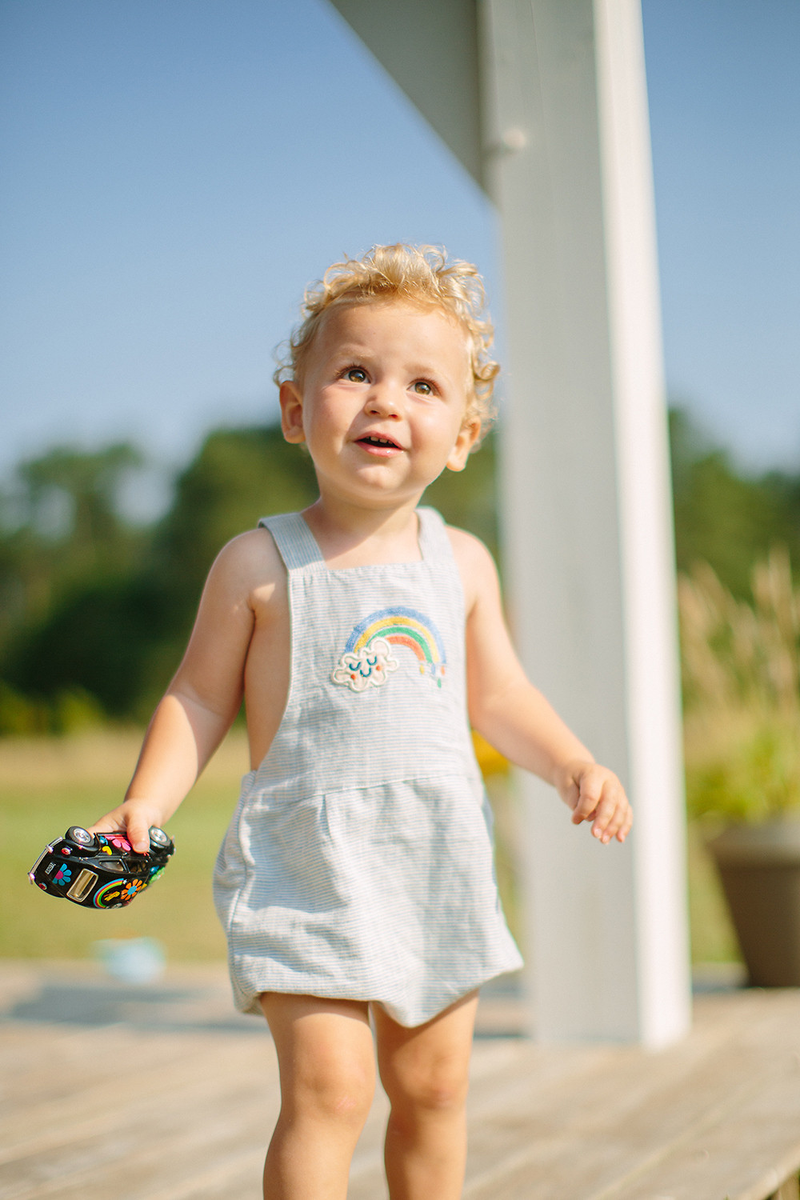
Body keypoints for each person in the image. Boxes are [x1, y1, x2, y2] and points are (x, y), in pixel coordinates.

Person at [91, 244, 632, 1200]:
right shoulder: (259, 563)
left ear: (461, 435)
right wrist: (146, 799)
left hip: (434, 858)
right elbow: (200, 697)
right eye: (355, 373)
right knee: (331, 1093)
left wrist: (572, 763)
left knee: (434, 1087)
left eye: (423, 385)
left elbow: (497, 694)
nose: (386, 400)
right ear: (299, 412)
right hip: (308, 862)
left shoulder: (460, 563)